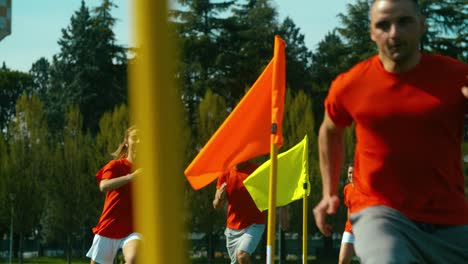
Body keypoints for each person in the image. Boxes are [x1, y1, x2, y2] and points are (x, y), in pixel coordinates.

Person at [313, 0, 468, 263]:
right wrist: (329, 191)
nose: (394, 33)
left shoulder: (456, 78)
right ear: (372, 32)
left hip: (448, 217)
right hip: (380, 213)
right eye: (383, 25)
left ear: (422, 26)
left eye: (404, 22)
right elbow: (330, 130)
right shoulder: (352, 85)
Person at [213, 160, 288, 264]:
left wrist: (282, 208)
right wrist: (220, 199)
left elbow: (273, 191)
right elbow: (217, 206)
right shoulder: (225, 173)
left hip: (254, 224)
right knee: (237, 261)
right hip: (232, 229)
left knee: (242, 256)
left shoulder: (257, 171)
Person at [86, 126, 142, 264]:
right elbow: (103, 186)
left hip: (133, 229)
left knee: (133, 259)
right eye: (135, 138)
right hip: (108, 226)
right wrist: (131, 177)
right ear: (126, 141)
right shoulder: (115, 165)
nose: (139, 141)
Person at [338, 166, 356, 264]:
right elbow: (349, 208)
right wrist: (350, 224)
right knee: (343, 261)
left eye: (354, 172)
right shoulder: (347, 189)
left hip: (365, 229)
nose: (351, 175)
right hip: (350, 230)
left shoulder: (366, 188)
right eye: (349, 172)